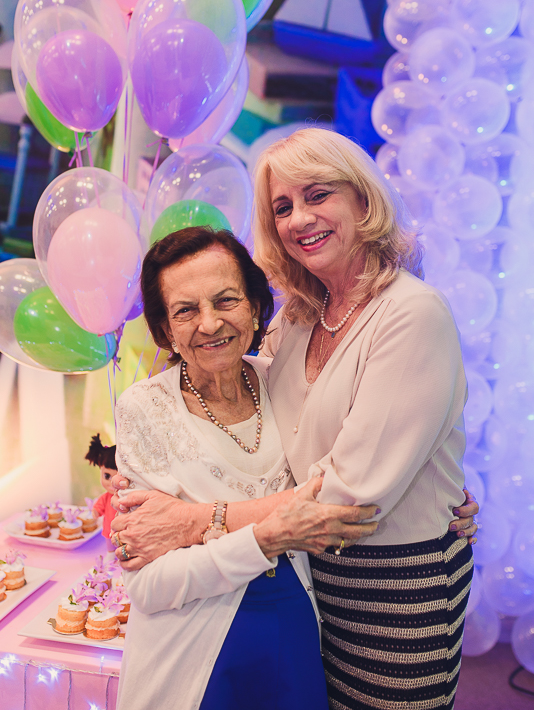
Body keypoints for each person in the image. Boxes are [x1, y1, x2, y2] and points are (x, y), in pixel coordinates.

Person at [112, 129, 479, 710]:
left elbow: (350, 499)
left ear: (364, 201)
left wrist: (191, 520)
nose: (299, 218)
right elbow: (261, 417)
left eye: (317, 194)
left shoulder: (411, 314)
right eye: (282, 206)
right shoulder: (299, 322)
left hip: (390, 587)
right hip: (313, 590)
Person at [114, 226, 380, 710]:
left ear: (256, 308)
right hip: (193, 653)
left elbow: (361, 461)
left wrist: (442, 501)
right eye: (185, 310)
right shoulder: (143, 409)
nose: (210, 324)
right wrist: (265, 539)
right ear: (164, 329)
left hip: (297, 637)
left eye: (226, 300)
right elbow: (149, 584)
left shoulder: (288, 382)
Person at [84, 433, 118, 550]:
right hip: (109, 526)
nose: (112, 482)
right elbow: (99, 506)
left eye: (118, 476)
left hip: (123, 530)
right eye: (107, 476)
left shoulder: (128, 497)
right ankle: (110, 553)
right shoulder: (106, 497)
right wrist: (96, 512)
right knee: (109, 540)